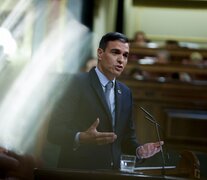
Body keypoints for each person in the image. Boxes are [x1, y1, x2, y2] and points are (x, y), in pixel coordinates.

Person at [47, 32, 164, 170]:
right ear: (100, 54)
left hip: (111, 174)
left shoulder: (125, 93)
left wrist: (139, 151)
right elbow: (54, 131)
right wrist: (81, 137)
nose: (121, 59)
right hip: (78, 171)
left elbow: (127, 139)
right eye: (115, 52)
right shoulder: (76, 83)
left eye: (125, 55)